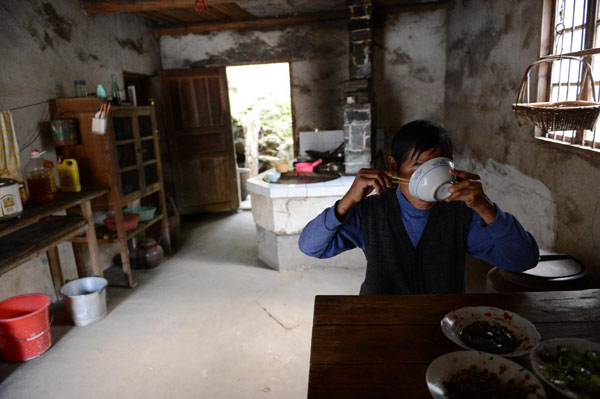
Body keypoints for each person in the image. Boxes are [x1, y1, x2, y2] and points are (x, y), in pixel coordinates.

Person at [299, 120, 539, 295]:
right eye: (418, 168)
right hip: (380, 323)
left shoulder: (462, 213)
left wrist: (485, 207)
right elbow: (311, 247)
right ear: (394, 168)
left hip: (444, 324)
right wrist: (346, 202)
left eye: (438, 168)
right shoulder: (371, 211)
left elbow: (523, 260)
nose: (430, 180)